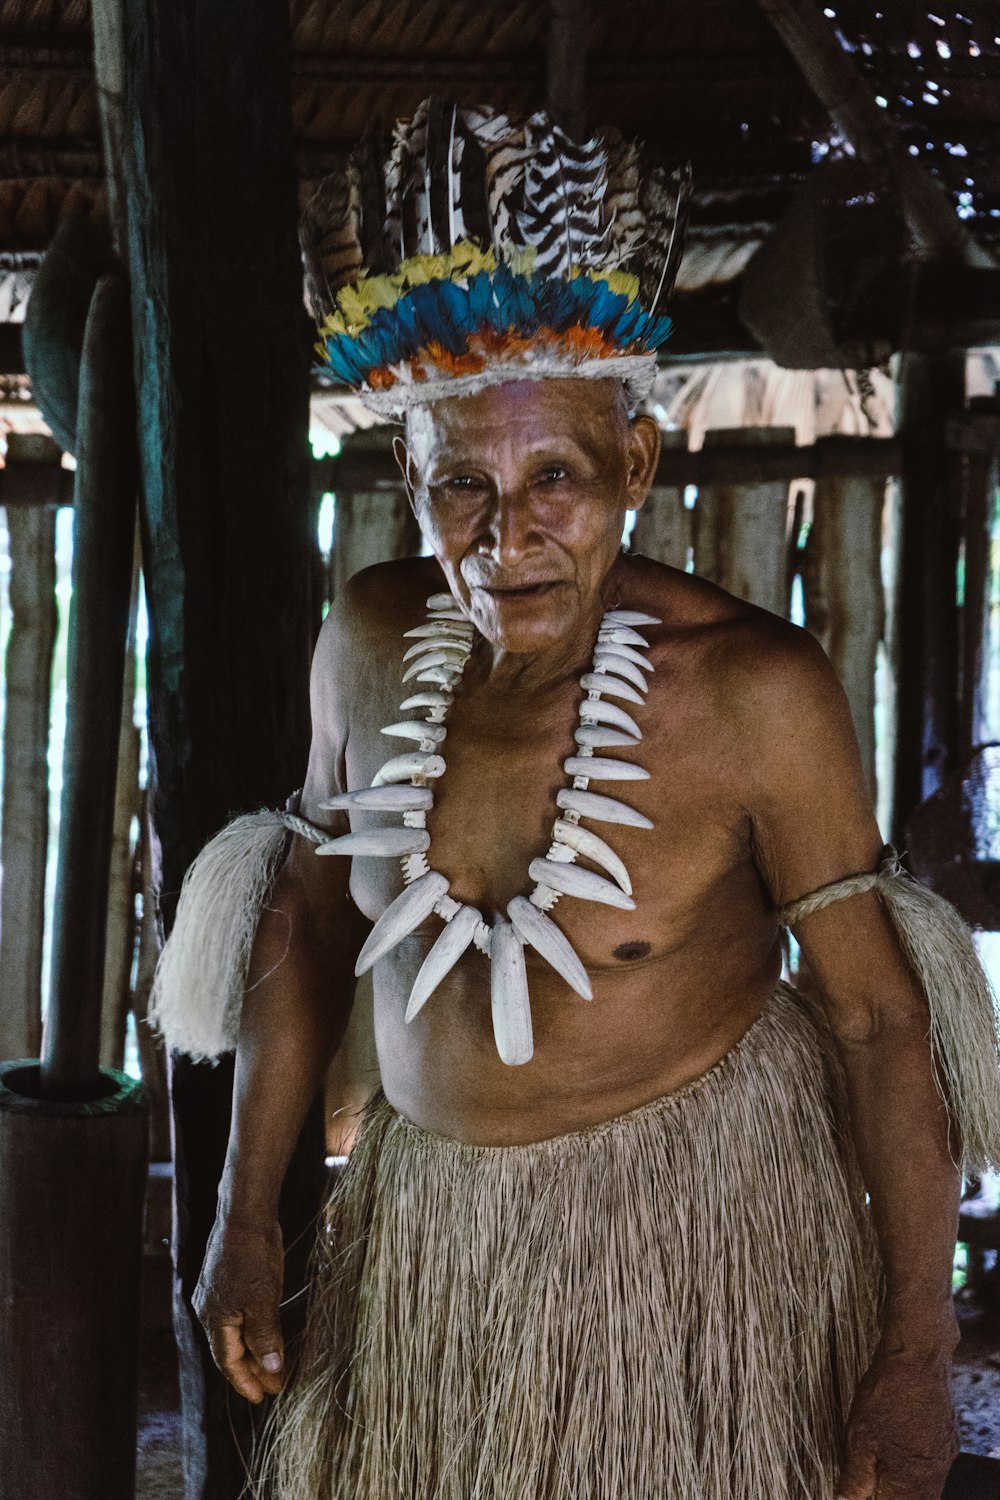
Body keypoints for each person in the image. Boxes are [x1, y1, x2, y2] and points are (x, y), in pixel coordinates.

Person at [152, 102, 1000, 1500]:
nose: (509, 533)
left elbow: (873, 1013)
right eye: (464, 487)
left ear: (637, 472)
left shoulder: (752, 694)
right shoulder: (366, 642)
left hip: (691, 1253)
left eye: (557, 476)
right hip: (432, 1259)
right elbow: (301, 936)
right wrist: (245, 1214)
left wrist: (920, 1338)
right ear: (408, 484)